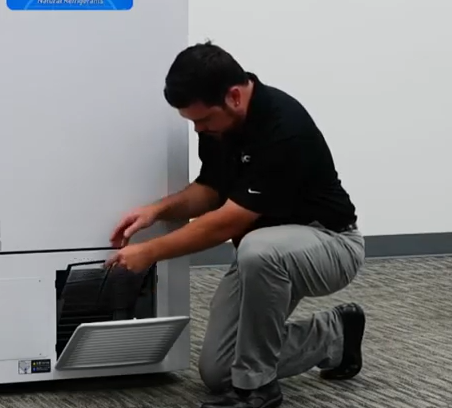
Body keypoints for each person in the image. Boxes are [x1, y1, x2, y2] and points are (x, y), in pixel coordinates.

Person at [107, 42, 366, 408]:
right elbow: (211, 189)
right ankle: (335, 334)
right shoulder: (220, 127)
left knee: (257, 249)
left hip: (330, 243)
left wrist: (149, 253)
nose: (198, 128)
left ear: (233, 96)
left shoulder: (283, 128)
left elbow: (225, 223)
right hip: (264, 255)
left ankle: (258, 390)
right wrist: (156, 210)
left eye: (202, 120)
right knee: (219, 371)